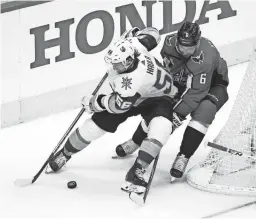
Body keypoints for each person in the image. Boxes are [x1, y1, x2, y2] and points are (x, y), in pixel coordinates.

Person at [47, 34, 178, 194]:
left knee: (162, 128)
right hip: (139, 94)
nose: (114, 66)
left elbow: (118, 106)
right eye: (113, 62)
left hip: (160, 98)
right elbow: (154, 35)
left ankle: (137, 170)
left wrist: (94, 103)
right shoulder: (134, 47)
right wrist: (137, 35)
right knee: (93, 127)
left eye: (117, 64)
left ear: (128, 61)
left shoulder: (131, 82)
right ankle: (65, 153)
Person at [114, 21, 229, 181]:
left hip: (213, 85)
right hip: (183, 82)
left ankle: (184, 156)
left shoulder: (206, 57)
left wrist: (178, 115)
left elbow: (196, 92)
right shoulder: (169, 43)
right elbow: (168, 70)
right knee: (161, 110)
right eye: (181, 45)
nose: (184, 50)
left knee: (205, 110)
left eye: (189, 47)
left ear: (197, 42)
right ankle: (136, 141)